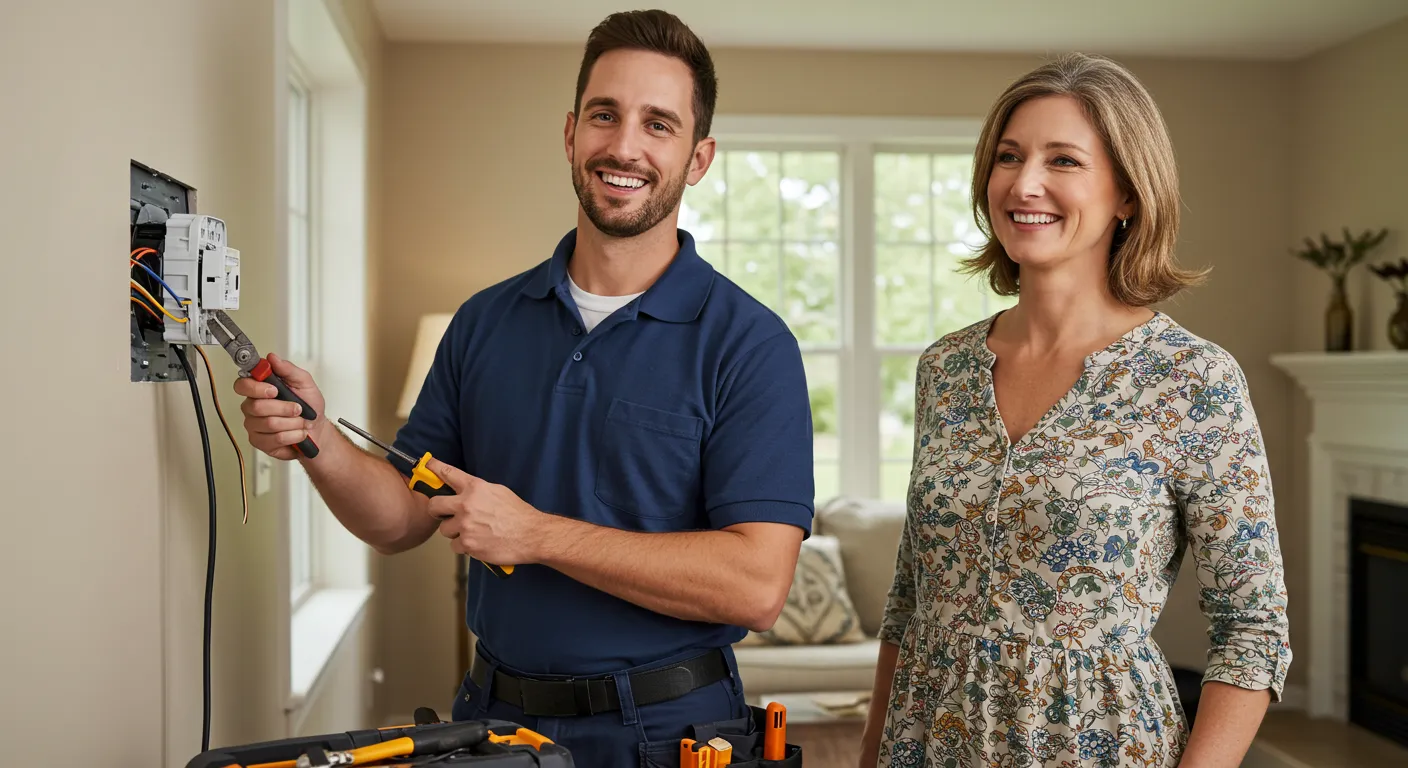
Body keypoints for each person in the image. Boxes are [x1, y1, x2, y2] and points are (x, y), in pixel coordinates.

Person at [236, 9, 814, 766]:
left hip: (669, 733)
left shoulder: (749, 343)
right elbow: (402, 516)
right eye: (605, 115)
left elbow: (755, 587)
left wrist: (535, 535)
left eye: (659, 124)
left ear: (699, 158)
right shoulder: (483, 323)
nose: (624, 145)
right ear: (571, 132)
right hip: (493, 719)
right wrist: (317, 442)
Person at [858, 52, 1291, 768]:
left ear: (1127, 193)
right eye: (1009, 156)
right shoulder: (946, 368)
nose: (1025, 183)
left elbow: (1253, 628)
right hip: (927, 742)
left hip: (1103, 748)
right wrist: (873, 752)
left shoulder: (1192, 378)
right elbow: (910, 597)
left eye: (1064, 161)